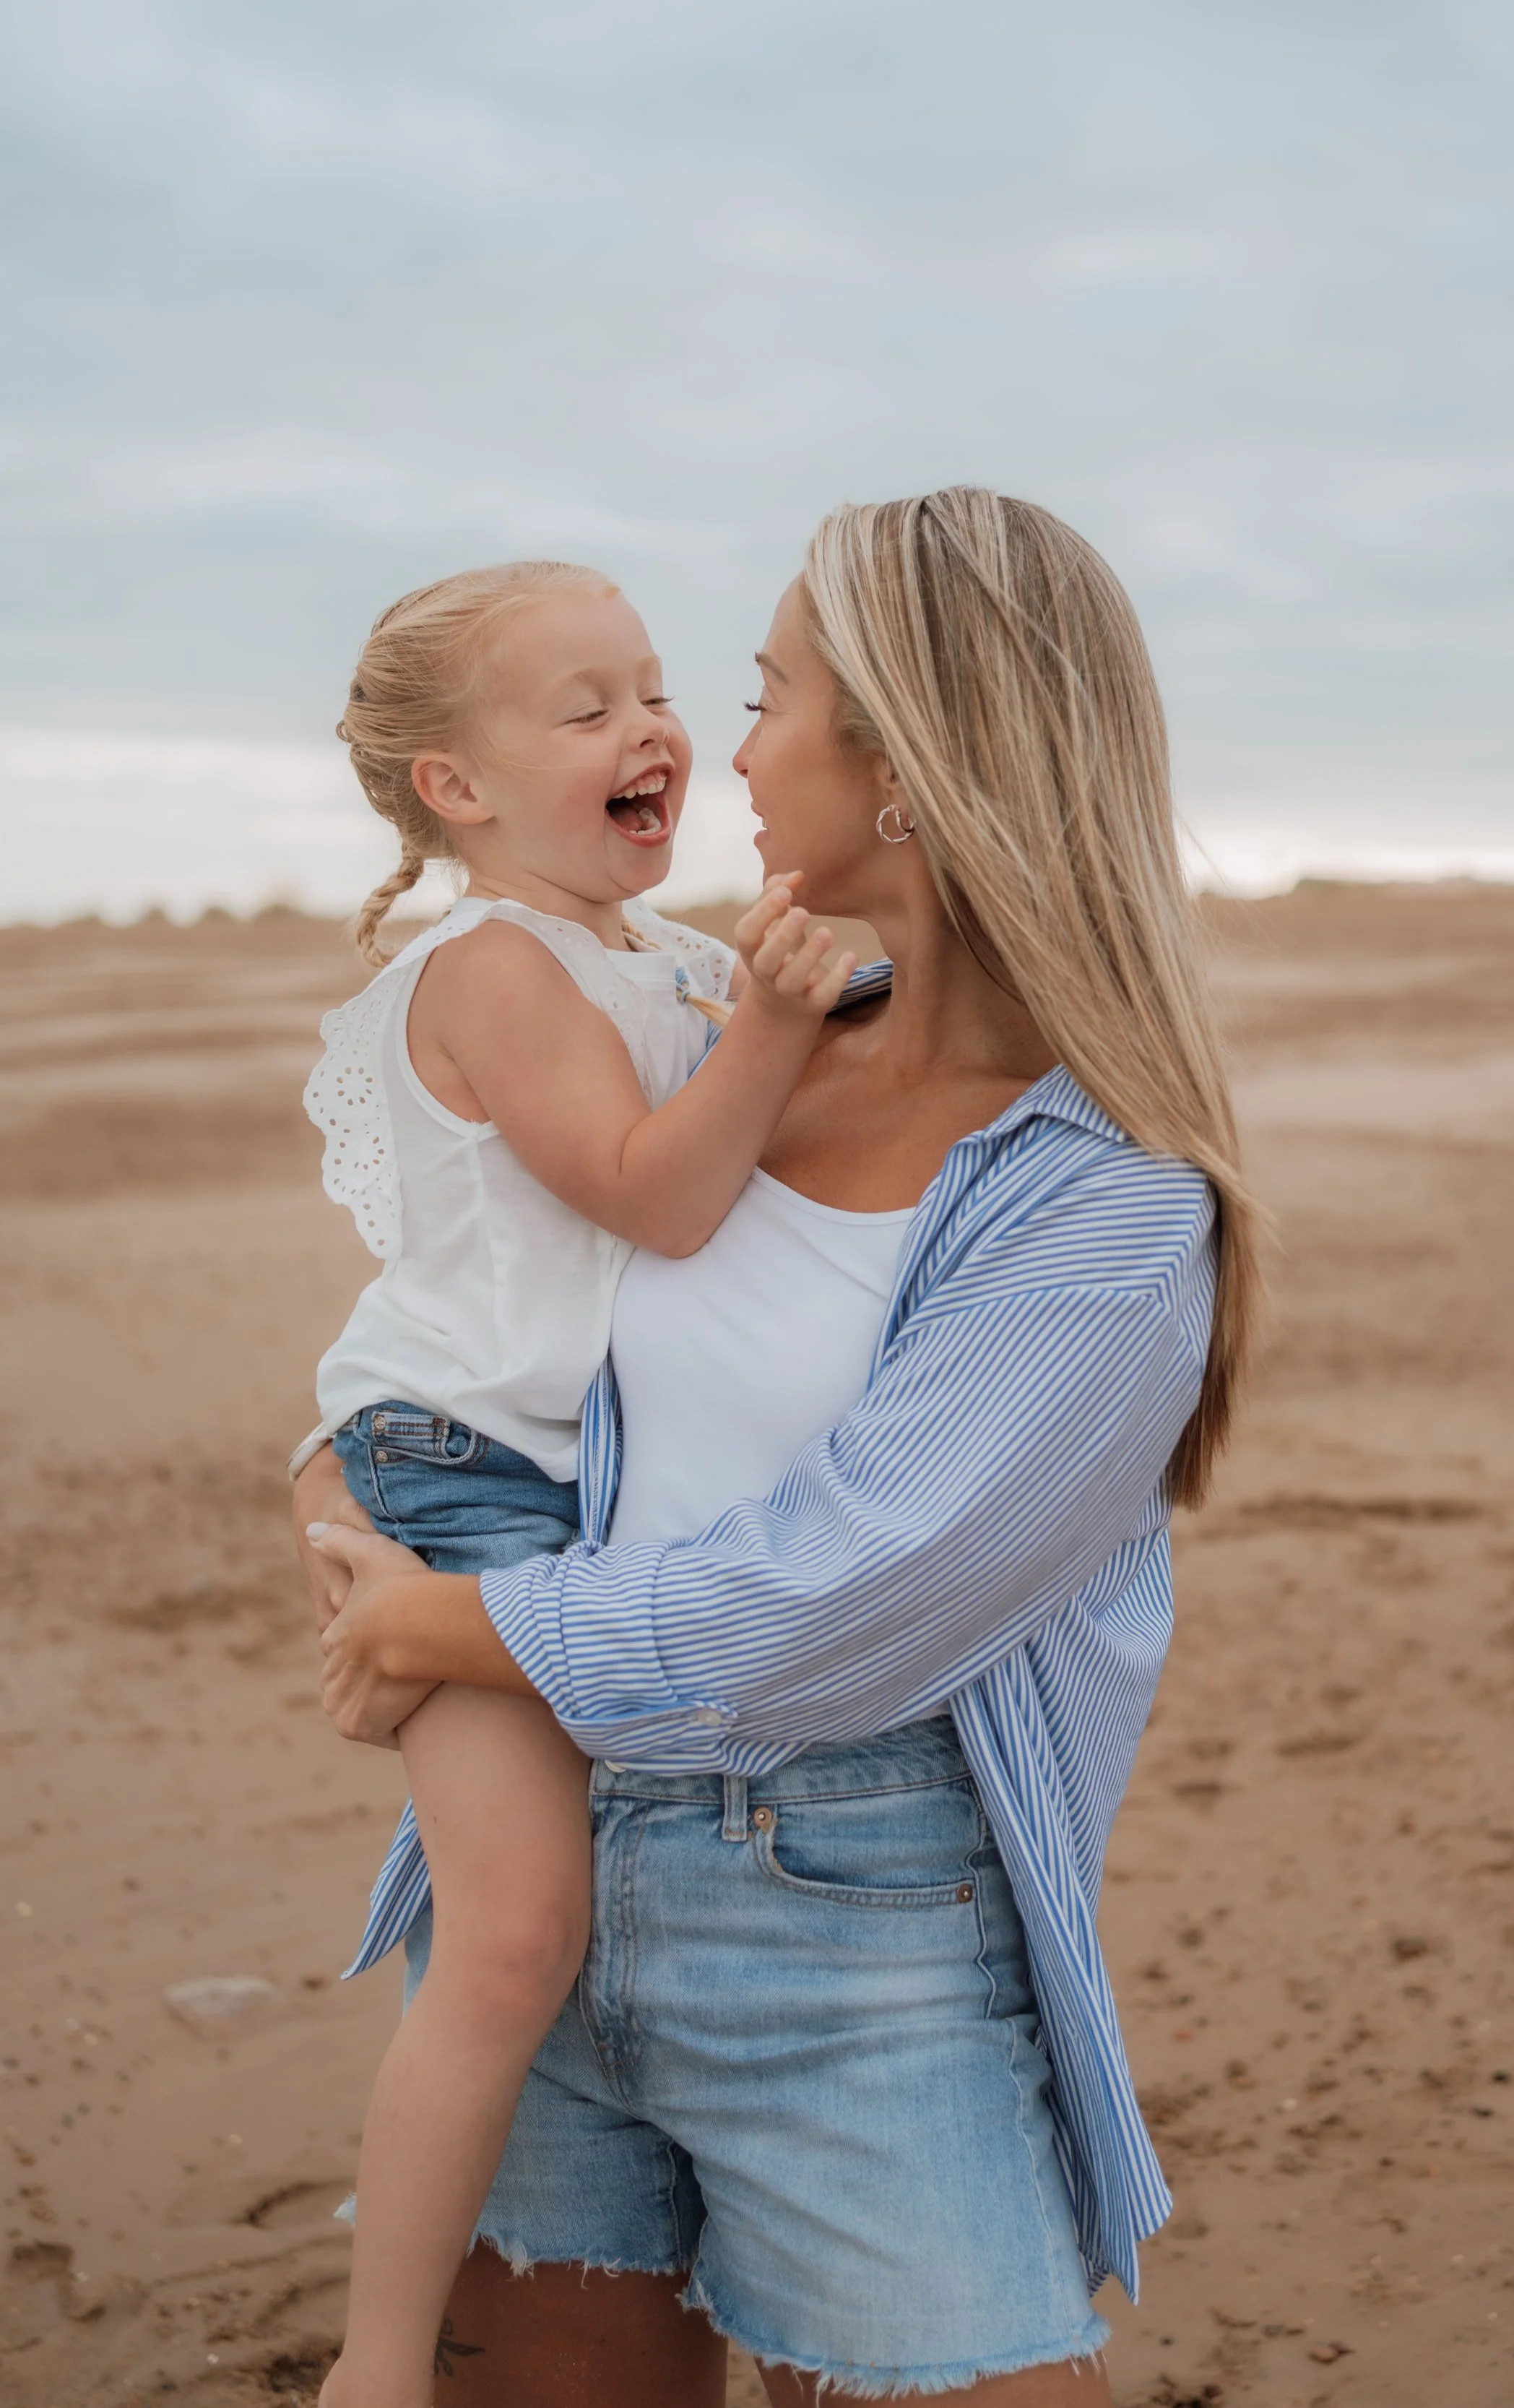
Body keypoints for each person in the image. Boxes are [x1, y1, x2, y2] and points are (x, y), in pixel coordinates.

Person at [295, 488, 1260, 2406]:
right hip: (541, 1884)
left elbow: (849, 1589)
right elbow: (500, 1314)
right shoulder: (720, 1034)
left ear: (904, 759)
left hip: (850, 1930)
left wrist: (451, 1633)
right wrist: (339, 1483)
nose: (721, 745)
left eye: (761, 696)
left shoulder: (1103, 1198)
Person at [299, 558, 855, 2408]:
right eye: (587, 706)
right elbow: (656, 1188)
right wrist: (776, 1027)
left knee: (584, 1903)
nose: (655, 729)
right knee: (516, 1922)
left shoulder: (665, 958)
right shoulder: (491, 965)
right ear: (455, 790)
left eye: (658, 689)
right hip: (459, 1478)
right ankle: (376, 2369)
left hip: (570, 1485)